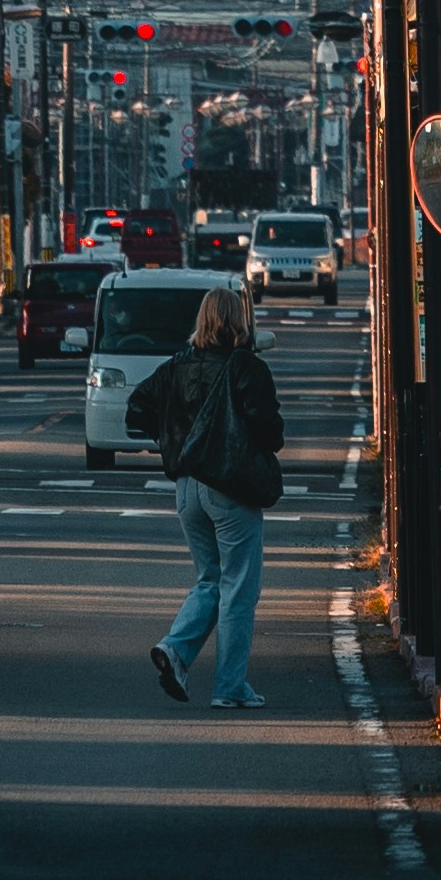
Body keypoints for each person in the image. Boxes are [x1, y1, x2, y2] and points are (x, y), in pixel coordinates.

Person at [130, 282, 282, 708]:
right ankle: (230, 687)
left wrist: (174, 441)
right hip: (230, 489)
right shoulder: (246, 369)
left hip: (186, 490)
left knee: (210, 578)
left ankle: (175, 650)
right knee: (239, 588)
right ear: (239, 322)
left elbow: (137, 408)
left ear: (202, 320)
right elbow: (271, 430)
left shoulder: (176, 367)